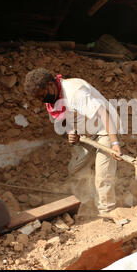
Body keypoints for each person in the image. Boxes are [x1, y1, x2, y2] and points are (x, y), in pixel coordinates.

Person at [24, 68, 122, 214]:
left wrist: (115, 144)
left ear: (51, 85)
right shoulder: (53, 99)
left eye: (42, 96)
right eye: (39, 98)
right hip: (86, 132)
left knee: (103, 175)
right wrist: (71, 132)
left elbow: (103, 113)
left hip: (105, 129)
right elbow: (67, 119)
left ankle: (107, 212)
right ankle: (87, 204)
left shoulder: (75, 93)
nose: (42, 100)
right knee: (76, 169)